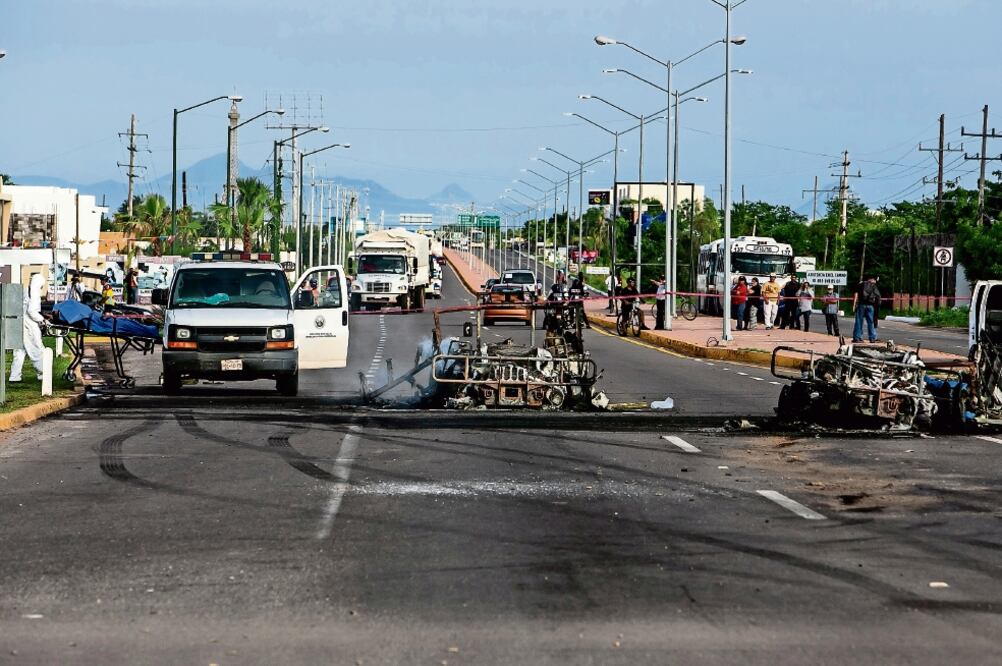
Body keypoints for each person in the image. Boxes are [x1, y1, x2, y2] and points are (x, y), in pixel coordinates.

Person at [10, 274, 45, 383]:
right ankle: (42, 373)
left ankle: (14, 376)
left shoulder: (26, 290)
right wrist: (42, 320)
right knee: (36, 348)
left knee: (19, 350)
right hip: (29, 325)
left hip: (19, 321)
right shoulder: (35, 293)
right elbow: (32, 311)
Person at [852, 275, 881, 343]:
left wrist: (854, 304)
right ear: (871, 279)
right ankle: (872, 338)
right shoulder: (873, 286)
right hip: (870, 306)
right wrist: (877, 307)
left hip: (861, 305)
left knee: (859, 321)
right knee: (871, 322)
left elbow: (856, 294)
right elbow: (878, 296)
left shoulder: (861, 284)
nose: (874, 281)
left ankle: (857, 337)